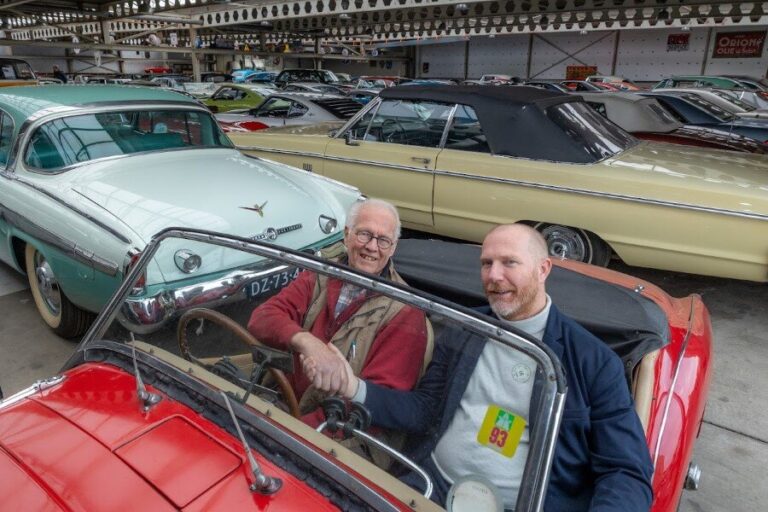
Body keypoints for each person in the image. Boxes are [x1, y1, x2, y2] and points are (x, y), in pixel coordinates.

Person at [308, 224, 654, 511]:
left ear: (543, 268)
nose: (494, 276)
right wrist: (353, 388)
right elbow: (425, 410)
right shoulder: (465, 328)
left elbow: (625, 471)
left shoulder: (592, 361)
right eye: (487, 263)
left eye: (509, 263)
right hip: (430, 486)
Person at [247, 198, 430, 431]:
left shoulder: (405, 311)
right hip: (282, 404)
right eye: (364, 234)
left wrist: (293, 430)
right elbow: (262, 318)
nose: (372, 247)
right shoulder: (320, 275)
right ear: (347, 234)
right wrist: (307, 342)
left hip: (336, 436)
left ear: (393, 248)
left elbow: (373, 405)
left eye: (383, 240)